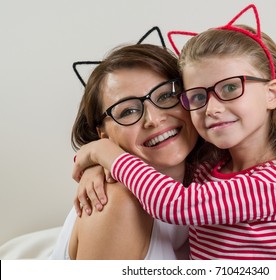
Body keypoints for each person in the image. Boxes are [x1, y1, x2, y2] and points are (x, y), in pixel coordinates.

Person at [72, 4, 276, 259]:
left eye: (230, 87)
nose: (212, 108)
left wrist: (105, 153)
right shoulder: (209, 166)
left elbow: (174, 205)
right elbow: (156, 169)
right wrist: (93, 165)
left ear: (271, 94)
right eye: (197, 96)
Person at [50, 43, 200, 259]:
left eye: (166, 96)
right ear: (104, 136)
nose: (154, 119)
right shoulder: (118, 203)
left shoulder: (215, 177)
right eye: (128, 111)